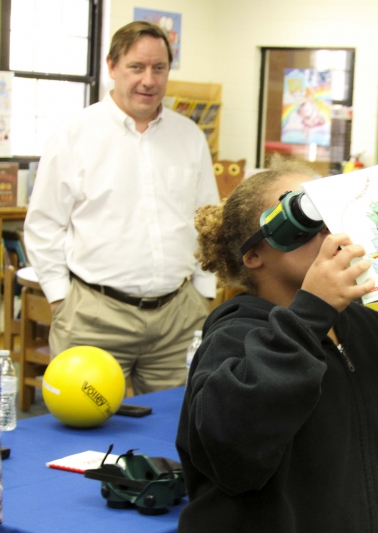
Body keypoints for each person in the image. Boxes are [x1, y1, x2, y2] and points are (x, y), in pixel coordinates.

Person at [175, 158, 378, 532]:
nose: (327, 230)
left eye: (332, 210)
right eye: (305, 215)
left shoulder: (375, 330)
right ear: (254, 254)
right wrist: (310, 315)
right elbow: (231, 451)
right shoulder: (233, 338)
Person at [24, 21, 219, 395]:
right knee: (83, 440)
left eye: (159, 68)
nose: (149, 80)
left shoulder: (189, 136)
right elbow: (44, 225)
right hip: (93, 315)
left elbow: (206, 221)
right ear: (112, 67)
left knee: (175, 430)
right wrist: (61, 300)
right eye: (136, 67)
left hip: (178, 318)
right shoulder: (73, 135)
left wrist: (203, 292)